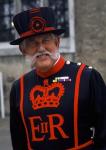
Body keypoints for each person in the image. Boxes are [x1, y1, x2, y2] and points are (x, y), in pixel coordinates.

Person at [9, 7, 106, 150]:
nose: (41, 48)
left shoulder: (87, 77)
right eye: (32, 42)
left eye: (46, 40)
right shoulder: (19, 88)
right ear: (23, 50)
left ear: (57, 42)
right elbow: (19, 142)